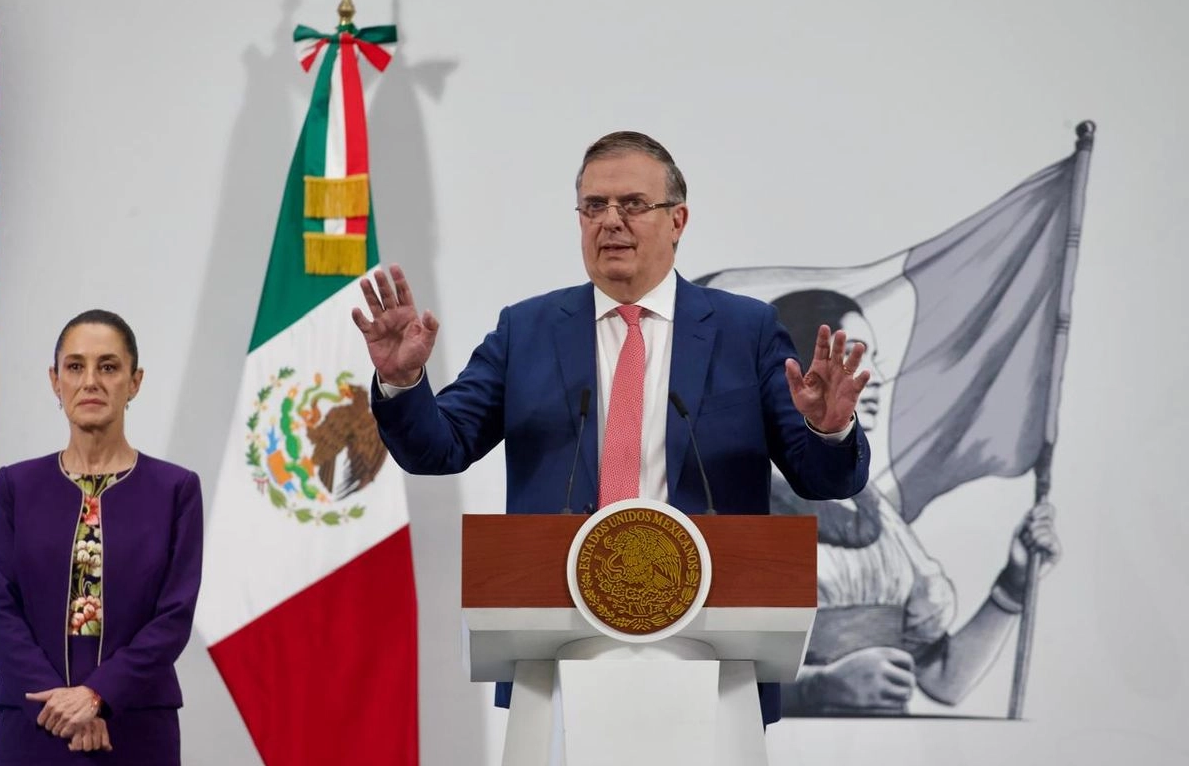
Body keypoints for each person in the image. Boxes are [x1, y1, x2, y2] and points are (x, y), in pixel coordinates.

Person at [352, 131, 873, 724]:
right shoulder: (528, 330)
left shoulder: (746, 331)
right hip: (558, 646)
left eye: (632, 204)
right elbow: (438, 449)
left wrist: (829, 431)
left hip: (710, 645)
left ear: (678, 220)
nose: (611, 222)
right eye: (593, 207)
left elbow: (820, 479)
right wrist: (403, 384)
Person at [769, 289, 1061, 715]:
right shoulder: (745, 498)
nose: (876, 378)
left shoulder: (876, 513)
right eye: (851, 356)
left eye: (872, 358)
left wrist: (1014, 583)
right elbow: (718, 676)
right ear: (797, 375)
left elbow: (943, 680)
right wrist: (816, 689)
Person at [0, 310, 203, 766]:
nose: (90, 381)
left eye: (108, 367)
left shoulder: (176, 490)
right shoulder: (15, 486)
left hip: (136, 726)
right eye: (75, 366)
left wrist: (98, 695)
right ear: (55, 380)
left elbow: (173, 617)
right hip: (32, 725)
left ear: (135, 381)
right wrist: (60, 710)